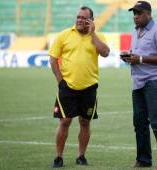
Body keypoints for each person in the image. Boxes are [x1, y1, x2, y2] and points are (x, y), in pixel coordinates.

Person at [49, 6, 109, 168]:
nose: (80, 20)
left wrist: (93, 34)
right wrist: (60, 82)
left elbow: (105, 52)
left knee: (84, 122)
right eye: (78, 17)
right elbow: (53, 59)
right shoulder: (64, 35)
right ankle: (59, 157)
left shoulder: (98, 36)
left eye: (84, 18)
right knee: (65, 121)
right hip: (67, 87)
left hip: (89, 87)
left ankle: (81, 156)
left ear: (91, 21)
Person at [121, 1, 157, 170]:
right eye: (134, 13)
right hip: (138, 83)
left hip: (155, 82)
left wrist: (141, 59)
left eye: (139, 13)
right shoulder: (135, 31)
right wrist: (128, 56)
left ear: (148, 14)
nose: (135, 16)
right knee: (139, 123)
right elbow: (138, 55)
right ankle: (144, 160)